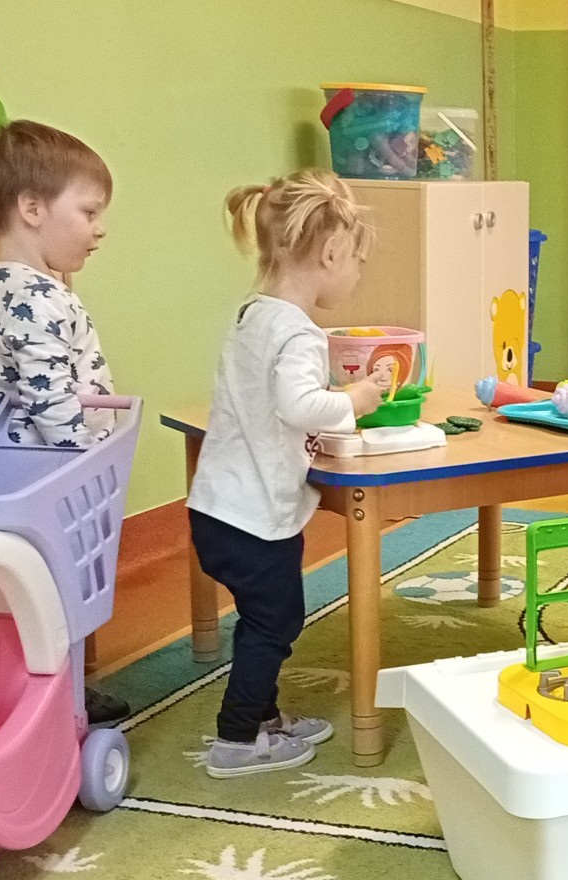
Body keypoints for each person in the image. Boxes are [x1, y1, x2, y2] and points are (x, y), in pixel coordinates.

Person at [183, 170, 390, 777]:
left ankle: (264, 719)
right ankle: (237, 738)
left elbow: (269, 407)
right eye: (357, 262)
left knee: (261, 618)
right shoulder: (299, 331)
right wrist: (355, 399)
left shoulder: (252, 315)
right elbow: (298, 405)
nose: (357, 275)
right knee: (275, 621)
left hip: (216, 507)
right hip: (254, 518)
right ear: (332, 253)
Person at [0, 119, 130, 726]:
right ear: (32, 209)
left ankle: (64, 690)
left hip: (36, 469)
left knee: (54, 587)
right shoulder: (27, 296)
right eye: (88, 212)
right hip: (42, 473)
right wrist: (82, 459)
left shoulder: (25, 286)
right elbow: (48, 394)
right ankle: (56, 702)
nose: (99, 228)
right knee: (52, 588)